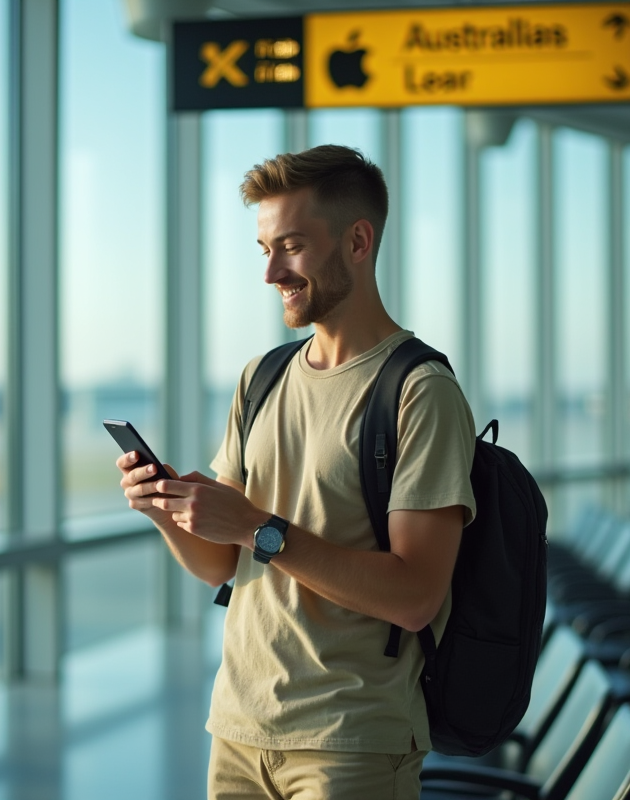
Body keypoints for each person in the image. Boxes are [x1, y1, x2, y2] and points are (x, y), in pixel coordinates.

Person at [116, 145, 476, 800]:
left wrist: (258, 527)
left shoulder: (419, 391)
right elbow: (222, 564)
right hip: (239, 727)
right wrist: (164, 509)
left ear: (358, 241)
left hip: (352, 741)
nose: (271, 272)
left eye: (291, 247)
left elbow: (416, 596)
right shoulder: (262, 378)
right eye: (264, 250)